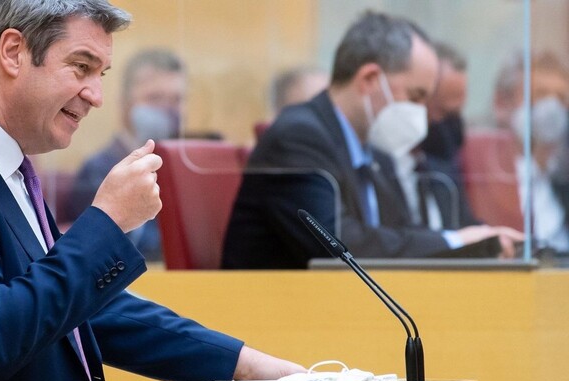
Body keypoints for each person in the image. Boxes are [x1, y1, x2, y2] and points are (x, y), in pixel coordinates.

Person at [0, 1, 304, 381]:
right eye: (81, 67)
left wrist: (244, 366)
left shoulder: (0, 160)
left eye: (101, 74)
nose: (96, 95)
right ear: (13, 51)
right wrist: (108, 221)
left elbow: (78, 307)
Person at [223, 11, 522, 268]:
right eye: (416, 96)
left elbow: (402, 235)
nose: (423, 115)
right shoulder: (298, 137)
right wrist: (454, 241)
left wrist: (478, 242)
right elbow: (338, 244)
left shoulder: (378, 155)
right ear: (369, 79)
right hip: (275, 317)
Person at [69, 48, 185, 261]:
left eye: (176, 99)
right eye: (155, 98)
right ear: (125, 104)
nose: (167, 109)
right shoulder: (99, 169)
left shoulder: (183, 167)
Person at [493, 50, 569, 253]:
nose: (552, 107)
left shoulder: (560, 180)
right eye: (540, 94)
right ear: (502, 101)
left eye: (561, 98)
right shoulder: (483, 174)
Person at [412, 41, 480, 229]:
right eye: (443, 111)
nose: (448, 125)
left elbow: (464, 226)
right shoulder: (385, 167)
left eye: (456, 113)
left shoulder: (443, 166)